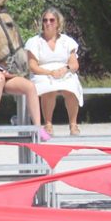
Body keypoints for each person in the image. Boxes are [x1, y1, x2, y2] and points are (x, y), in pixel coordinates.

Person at [25, 7, 83, 135]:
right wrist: (50, 73)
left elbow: (74, 64)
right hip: (42, 73)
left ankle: (73, 124)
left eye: (51, 20)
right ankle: (48, 124)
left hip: (64, 72)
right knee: (48, 89)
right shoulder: (34, 42)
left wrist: (65, 69)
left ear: (58, 22)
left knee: (71, 87)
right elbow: (33, 66)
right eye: (45, 20)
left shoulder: (67, 41)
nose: (48, 23)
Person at [0, 51, 51, 141]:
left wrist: (14, 72)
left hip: (8, 76)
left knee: (30, 87)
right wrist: (4, 73)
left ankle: (38, 127)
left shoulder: (10, 45)